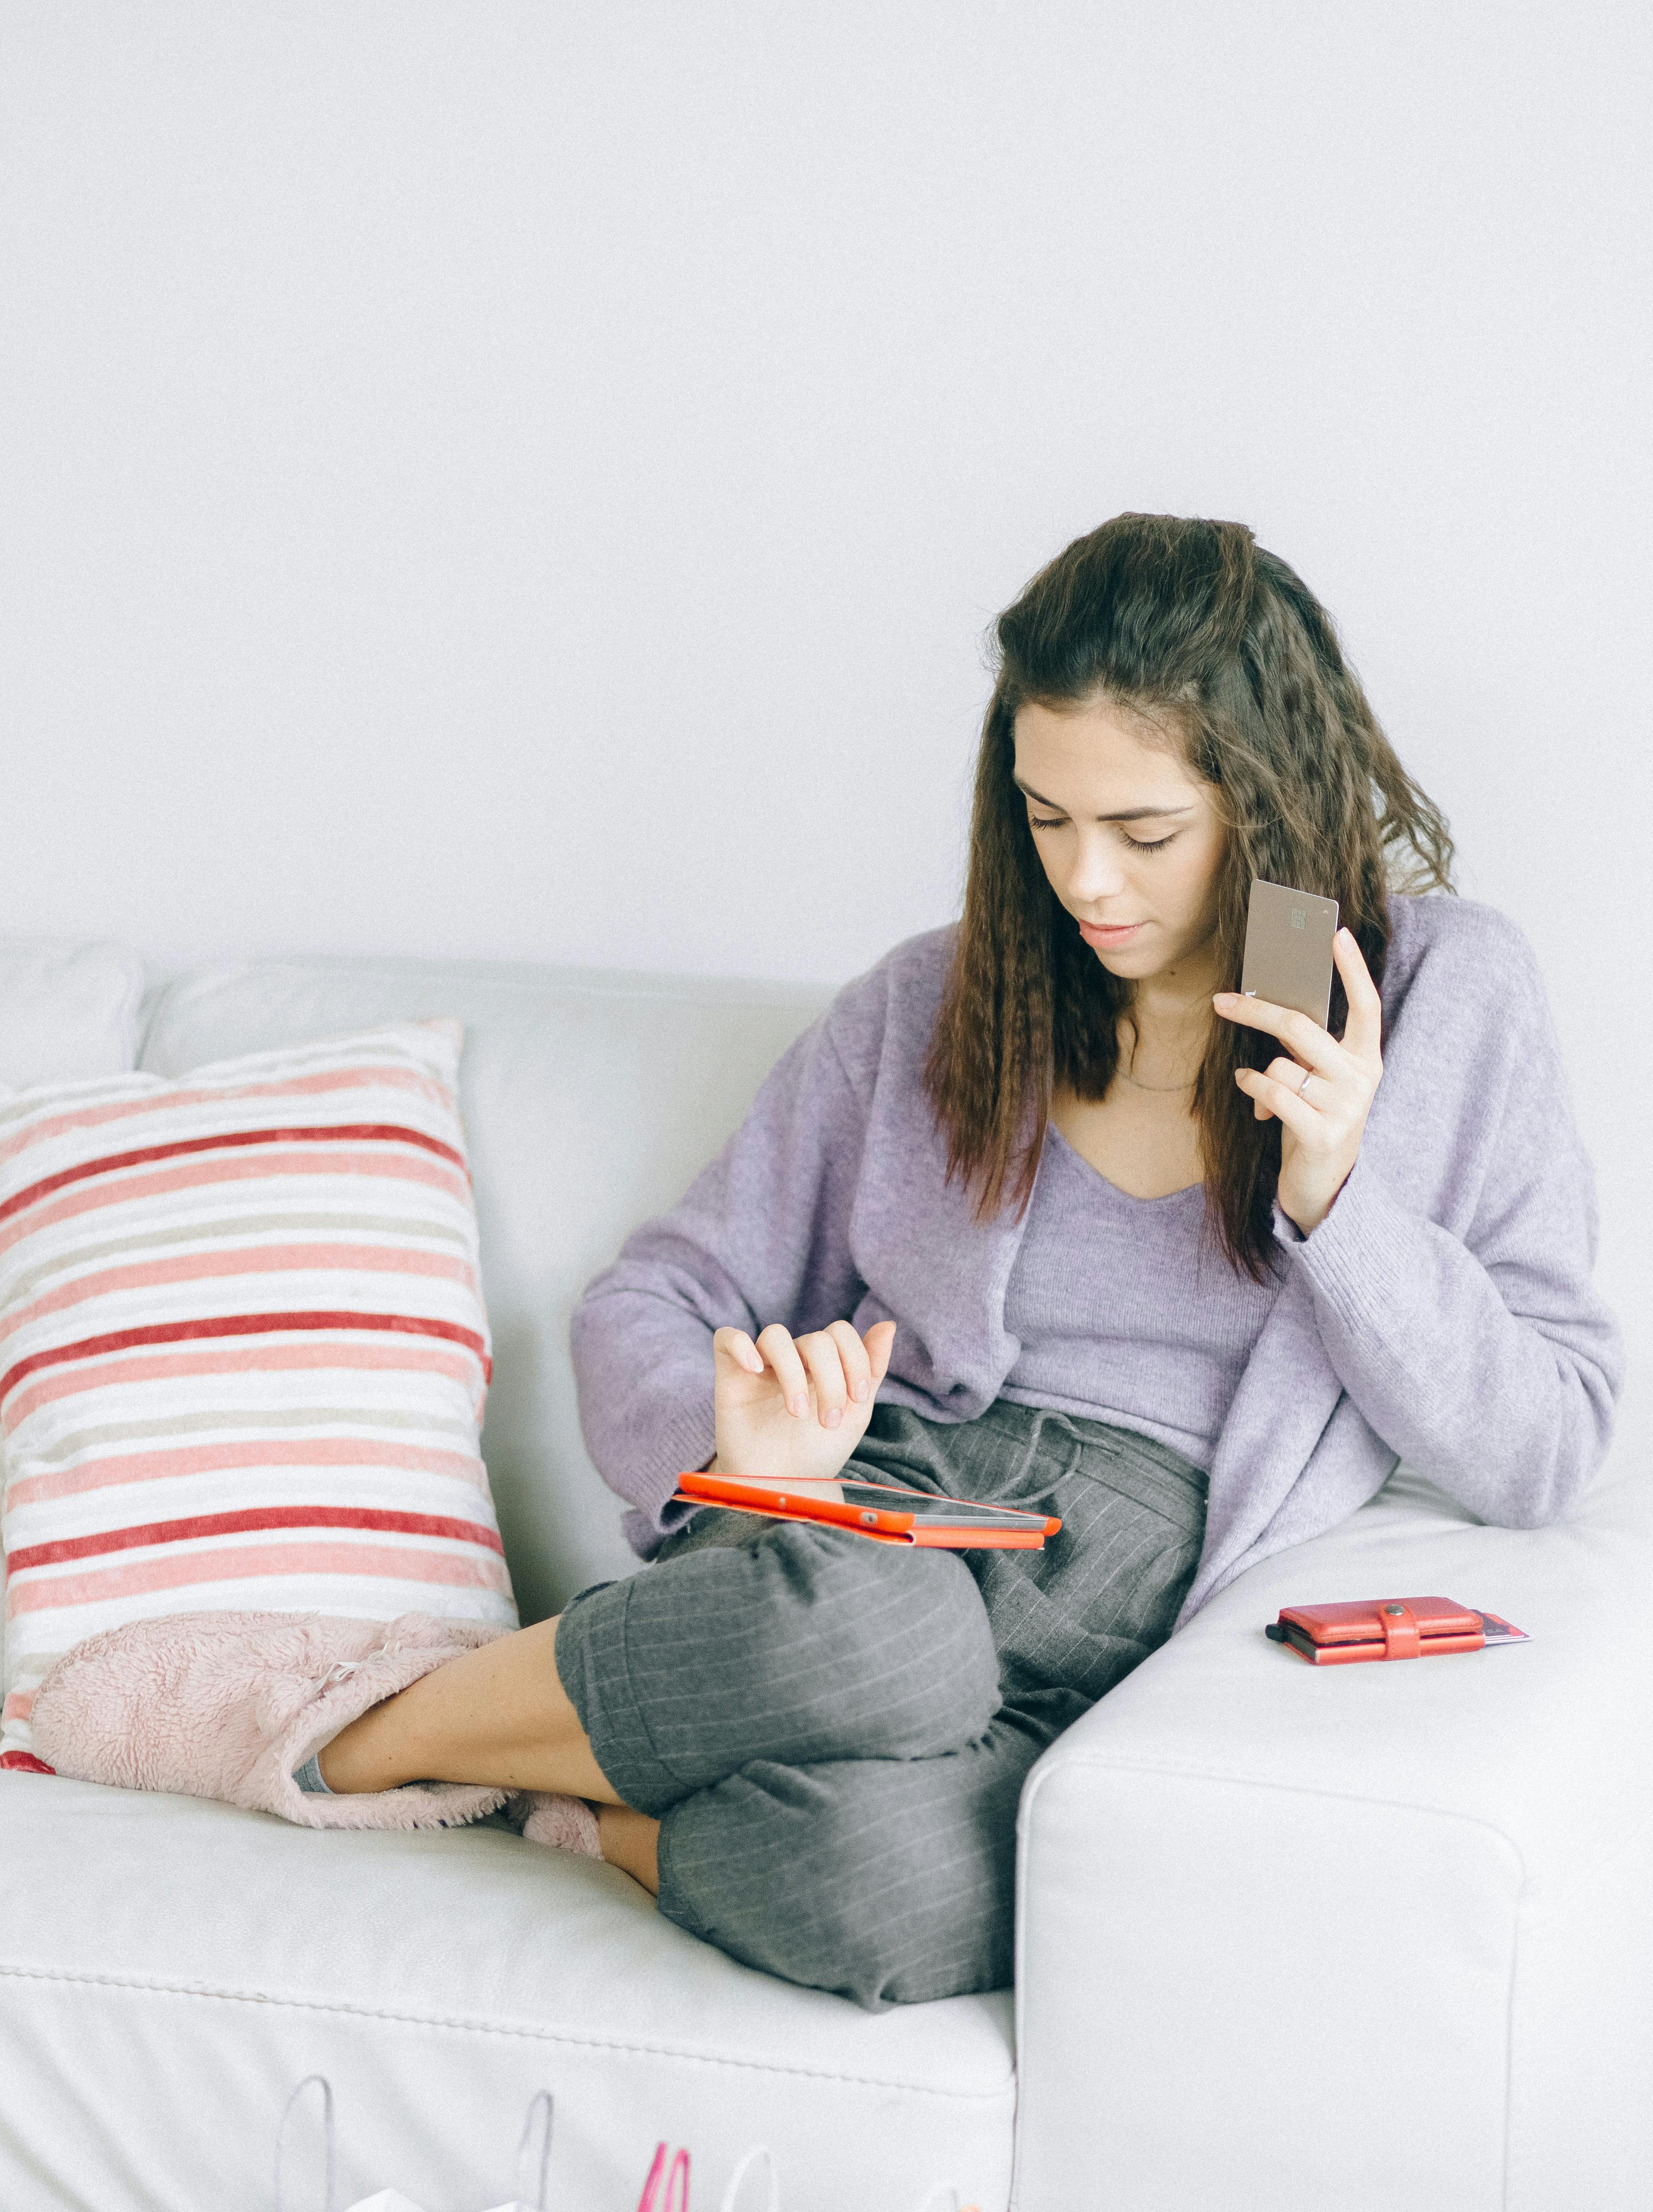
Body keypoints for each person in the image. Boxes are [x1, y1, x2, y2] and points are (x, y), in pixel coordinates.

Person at [88, 514, 1631, 2010]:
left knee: (895, 1888)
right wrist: (740, 1461)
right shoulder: (932, 1006)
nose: (1086, 882)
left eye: (1145, 831)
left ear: (1270, 803)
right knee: (887, 1644)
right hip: (867, 1538)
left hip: (1122, 1613)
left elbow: (1545, 1446)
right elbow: (648, 1298)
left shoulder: (1447, 999)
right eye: (1045, 820)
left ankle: (572, 1786)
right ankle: (355, 1722)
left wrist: (1340, 1196)